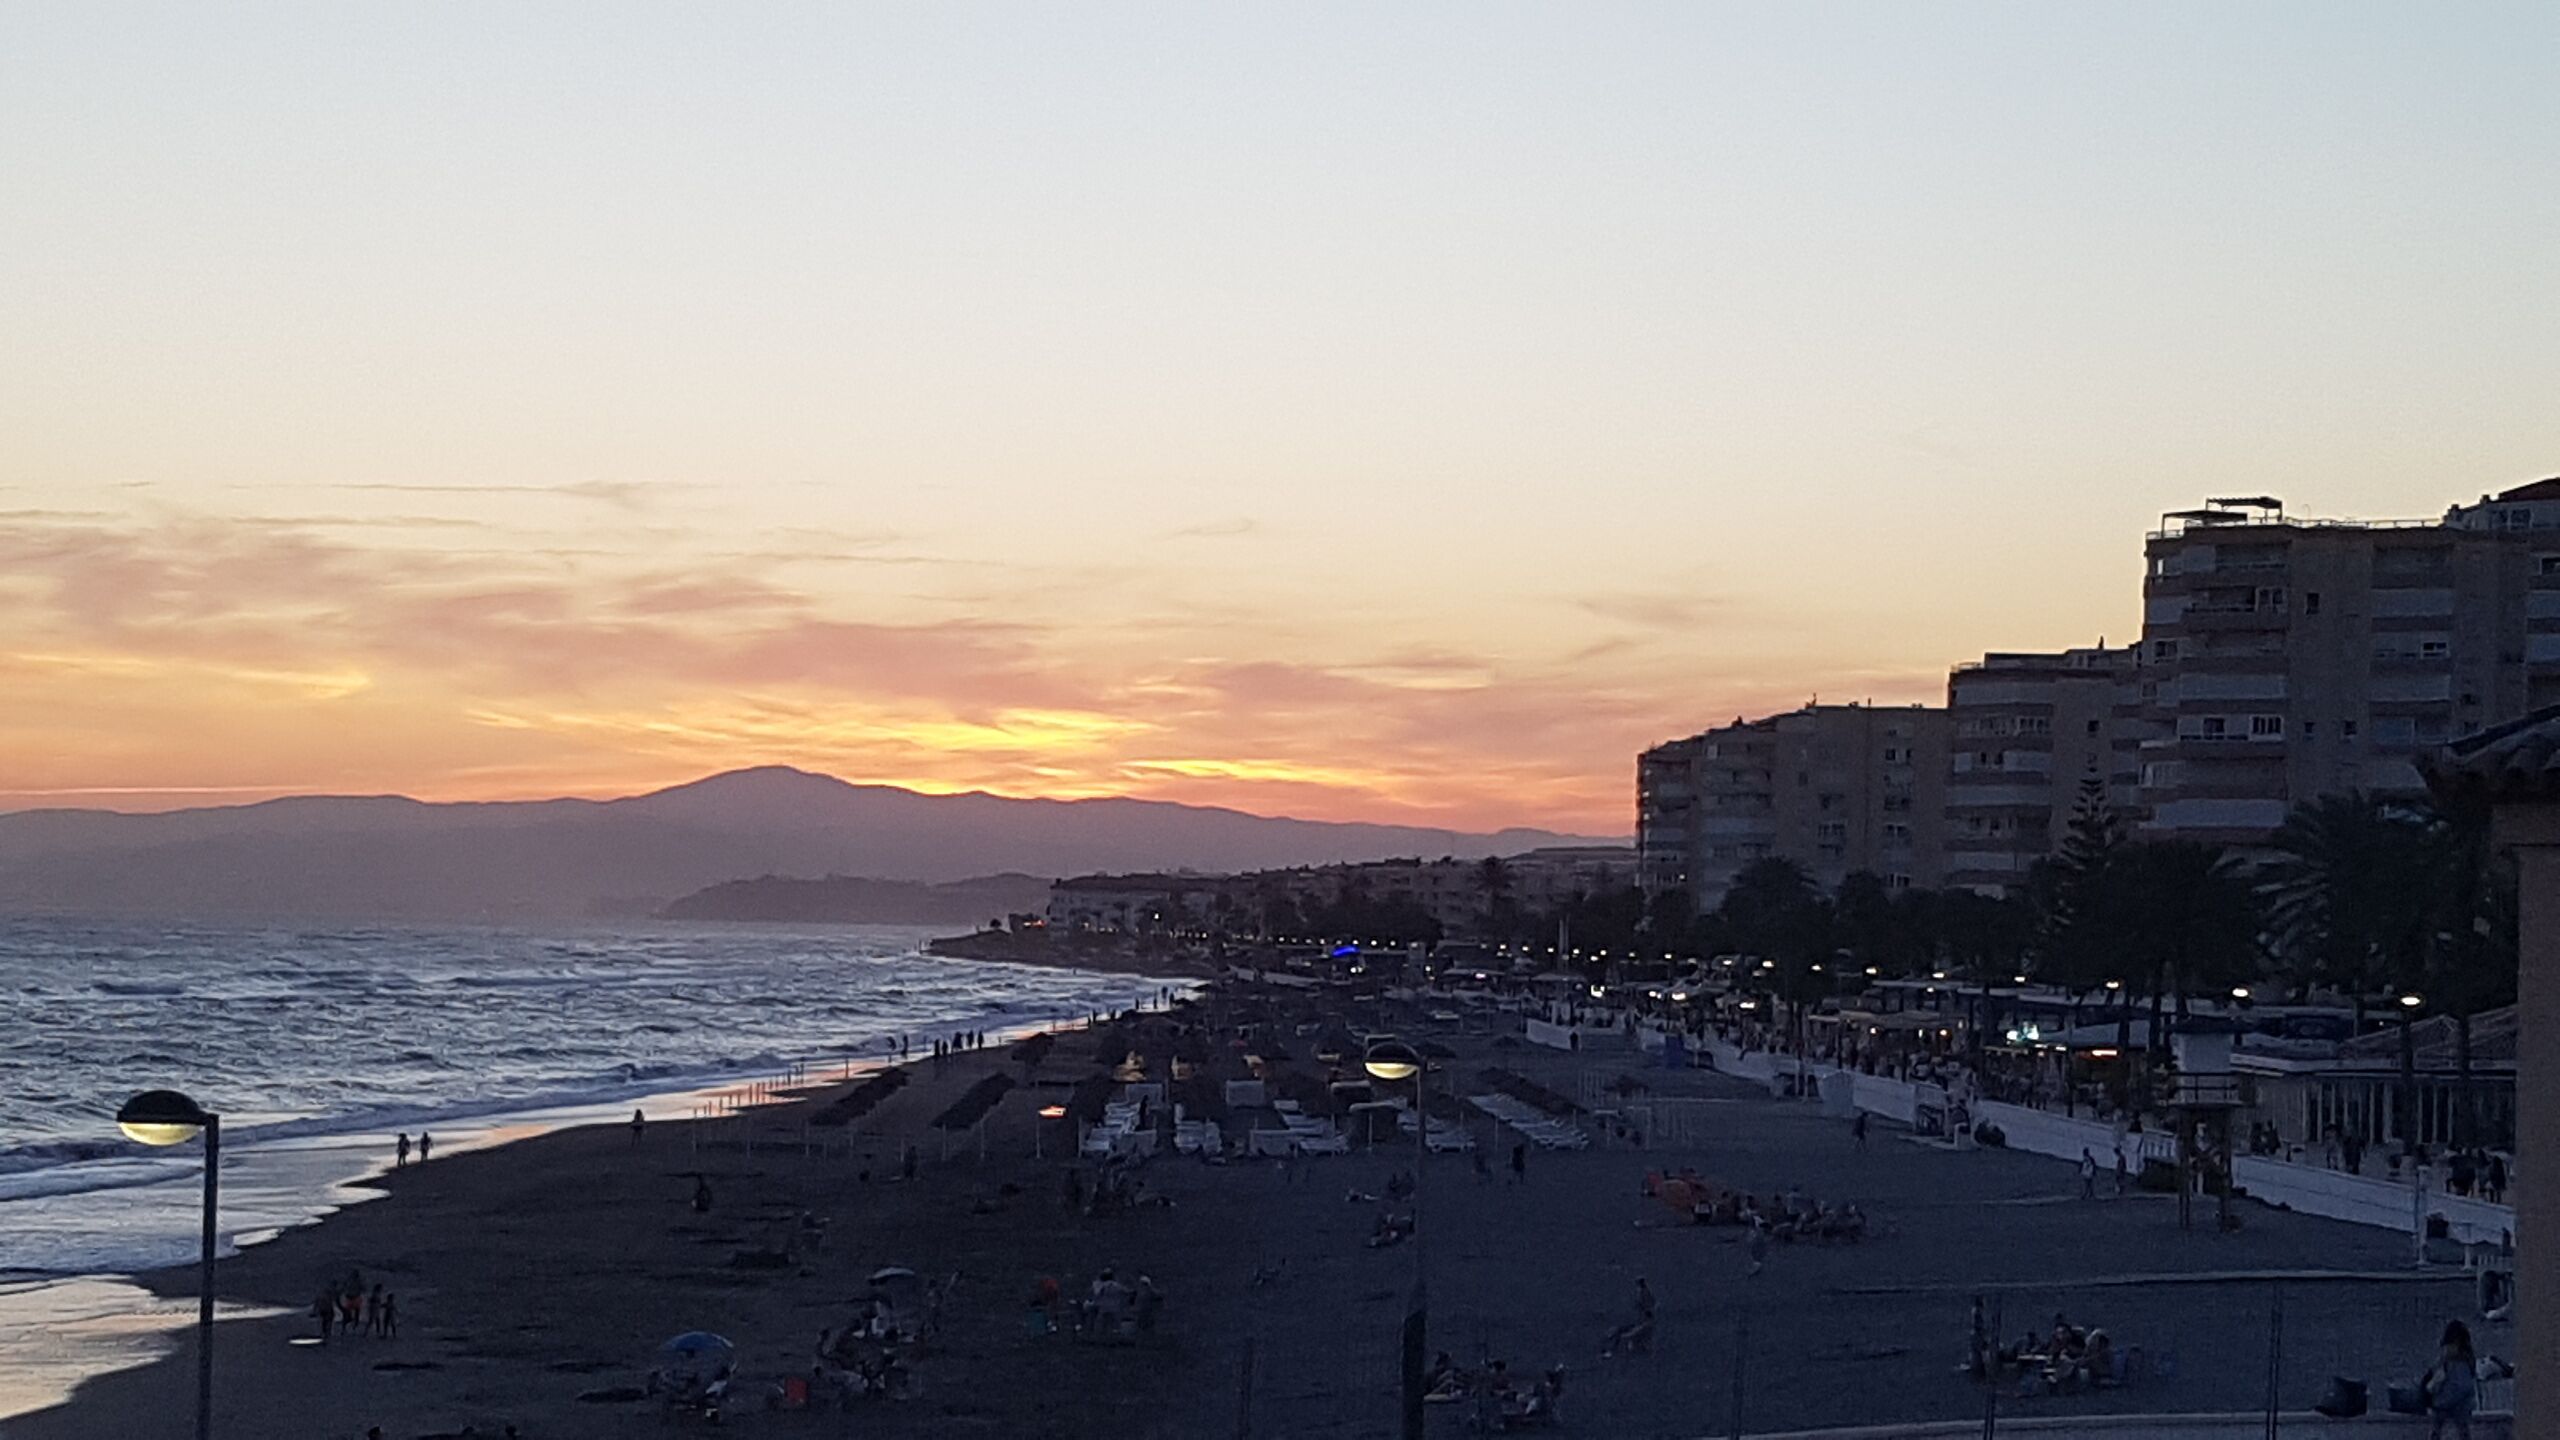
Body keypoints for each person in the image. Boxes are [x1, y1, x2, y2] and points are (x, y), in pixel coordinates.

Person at [2426, 1319, 2477, 1439]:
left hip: (2455, 1405)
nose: (2446, 1349)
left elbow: (2460, 1389)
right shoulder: (2449, 1363)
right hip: (2454, 1405)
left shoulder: (2459, 1365)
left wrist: (2438, 1401)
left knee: (2449, 1427)